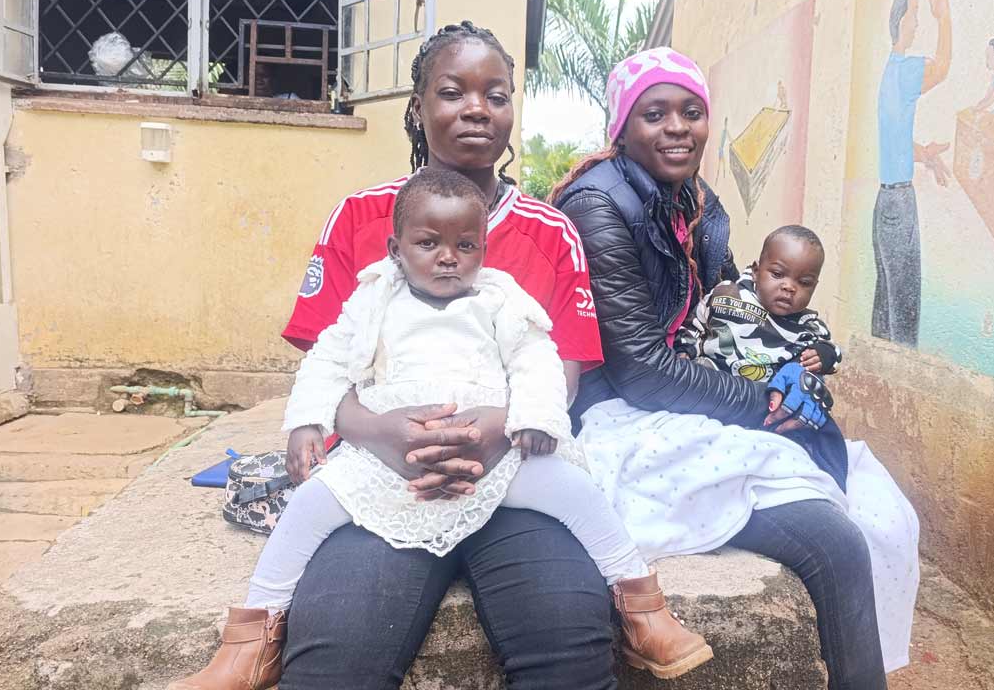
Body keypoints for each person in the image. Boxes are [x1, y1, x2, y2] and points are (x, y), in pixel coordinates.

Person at [169, 170, 709, 690]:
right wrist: (307, 422)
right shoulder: (373, 296)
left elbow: (537, 358)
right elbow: (327, 360)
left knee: (578, 493)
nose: (449, 257)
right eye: (429, 243)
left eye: (465, 246)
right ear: (395, 249)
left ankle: (643, 608)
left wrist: (535, 417)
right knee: (308, 507)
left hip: (495, 460)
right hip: (386, 463)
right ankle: (250, 641)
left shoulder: (500, 297)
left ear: (483, 248)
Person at [552, 47, 920, 688]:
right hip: (624, 411)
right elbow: (640, 366)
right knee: (835, 541)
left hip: (683, 399)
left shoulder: (690, 197)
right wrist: (762, 405)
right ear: (622, 128)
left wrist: (785, 348)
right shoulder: (599, 205)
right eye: (655, 113)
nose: (677, 128)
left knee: (868, 516)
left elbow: (725, 291)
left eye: (691, 112)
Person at [274, 21, 620, 690]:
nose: (475, 109)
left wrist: (496, 429)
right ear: (417, 108)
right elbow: (327, 361)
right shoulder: (360, 216)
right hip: (381, 479)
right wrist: (378, 432)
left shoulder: (552, 232)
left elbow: (564, 370)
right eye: (452, 91)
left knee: (571, 648)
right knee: (332, 661)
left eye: (496, 94)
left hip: (517, 479)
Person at [675, 224, 848, 492]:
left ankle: (820, 486)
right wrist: (685, 351)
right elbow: (694, 327)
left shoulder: (807, 326)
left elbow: (832, 353)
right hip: (710, 392)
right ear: (757, 271)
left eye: (804, 283)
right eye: (778, 274)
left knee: (815, 438)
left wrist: (823, 356)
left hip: (763, 406)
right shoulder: (724, 295)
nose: (789, 287)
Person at [872, 0, 952, 348]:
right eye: (916, 13)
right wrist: (944, 13)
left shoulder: (890, 73)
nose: (919, 22)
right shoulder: (904, 71)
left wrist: (925, 155)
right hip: (899, 204)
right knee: (904, 313)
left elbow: (896, 141)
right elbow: (944, 66)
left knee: (887, 310)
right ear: (902, 19)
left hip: (884, 204)